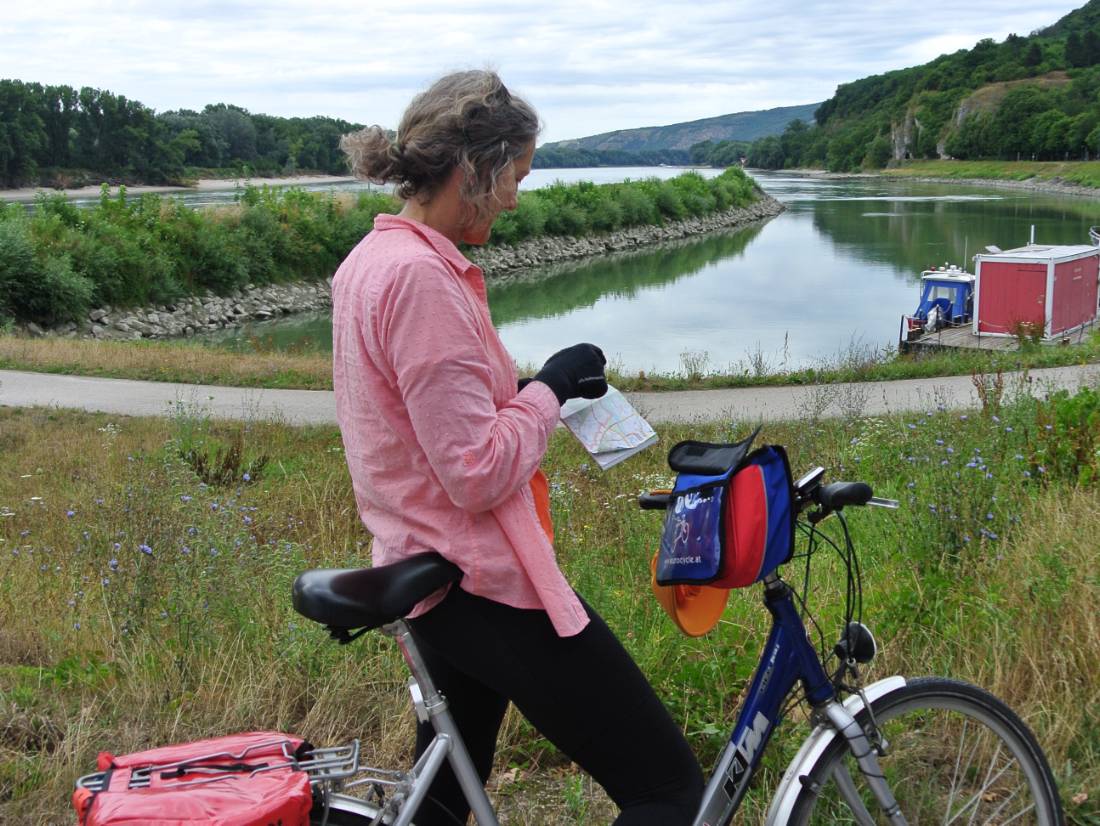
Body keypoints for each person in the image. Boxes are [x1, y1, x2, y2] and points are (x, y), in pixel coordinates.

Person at [332, 69, 702, 825]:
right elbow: (475, 471)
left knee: (440, 798)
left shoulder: (371, 261)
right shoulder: (419, 279)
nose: (516, 198)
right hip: (481, 580)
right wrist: (553, 387)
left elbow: (430, 420)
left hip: (423, 566)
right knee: (668, 792)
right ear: (475, 169)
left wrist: (525, 391)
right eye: (517, 177)